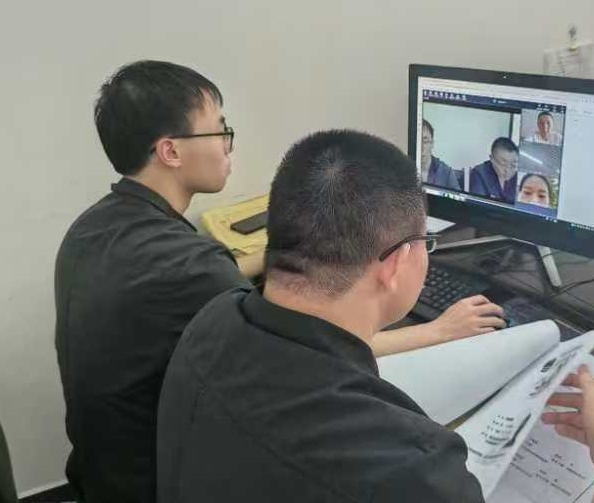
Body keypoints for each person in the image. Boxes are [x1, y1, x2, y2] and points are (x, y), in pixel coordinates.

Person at [54, 61, 505, 503]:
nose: (228, 144)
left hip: (108, 471)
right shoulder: (413, 469)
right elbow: (312, 337)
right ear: (170, 151)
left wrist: (289, 247)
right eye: (220, 131)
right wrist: (438, 331)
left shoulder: (97, 232)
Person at [156, 130, 594, 503]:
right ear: (395, 264)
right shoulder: (407, 469)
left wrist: (435, 332)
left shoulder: (213, 321)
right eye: (426, 241)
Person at [469, 137, 518, 203]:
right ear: (492, 159)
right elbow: (478, 204)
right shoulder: (479, 174)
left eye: (513, 165)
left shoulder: (516, 178)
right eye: (503, 164)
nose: (508, 170)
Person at [421, 119, 461, 190]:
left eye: (425, 141)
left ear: (432, 143)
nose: (421, 147)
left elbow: (457, 195)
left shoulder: (446, 172)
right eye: (418, 141)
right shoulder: (405, 168)